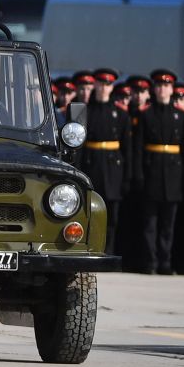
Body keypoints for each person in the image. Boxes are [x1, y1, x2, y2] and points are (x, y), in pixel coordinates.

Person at [135, 70, 184, 275]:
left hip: (173, 174)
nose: (162, 89)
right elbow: (138, 148)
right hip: (152, 172)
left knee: (168, 224)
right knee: (150, 223)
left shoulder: (181, 116)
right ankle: (151, 261)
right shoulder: (146, 114)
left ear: (172, 89)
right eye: (158, 86)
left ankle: (165, 261)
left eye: (166, 86)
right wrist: (139, 174)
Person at [75, 69, 132, 255]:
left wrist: (127, 177)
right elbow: (78, 146)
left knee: (112, 215)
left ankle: (109, 249)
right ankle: (89, 248)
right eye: (100, 84)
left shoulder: (121, 115)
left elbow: (127, 149)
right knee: (90, 212)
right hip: (92, 165)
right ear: (95, 86)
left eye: (107, 85)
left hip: (113, 169)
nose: (103, 88)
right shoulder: (84, 112)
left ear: (111, 87)